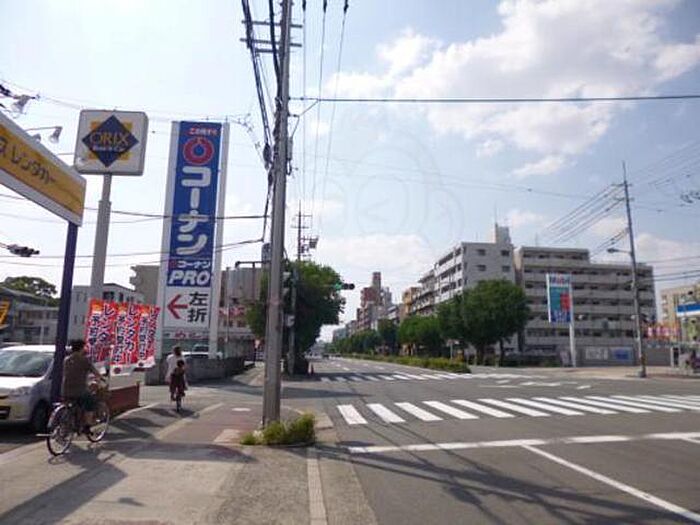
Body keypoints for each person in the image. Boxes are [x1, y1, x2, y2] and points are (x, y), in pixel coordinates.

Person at [61, 339, 104, 435]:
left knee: (72, 404)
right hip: (79, 391)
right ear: (81, 348)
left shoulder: (66, 360)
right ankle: (87, 427)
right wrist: (101, 378)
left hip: (65, 390)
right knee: (90, 402)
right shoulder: (84, 360)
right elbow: (95, 372)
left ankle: (69, 423)